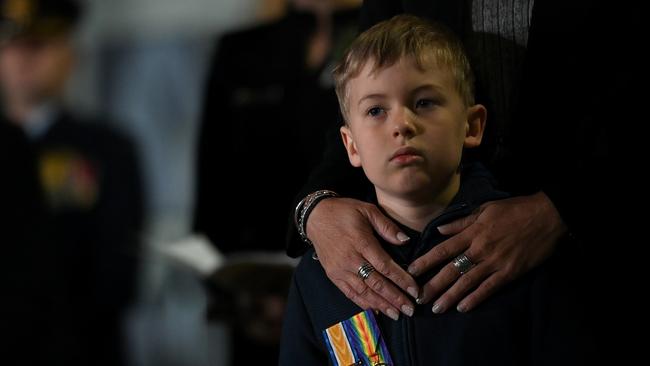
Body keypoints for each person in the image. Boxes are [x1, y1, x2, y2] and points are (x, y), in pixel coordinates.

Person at [287, 0, 639, 361]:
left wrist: (565, 207)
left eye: (424, 102)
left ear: (473, 126)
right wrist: (314, 207)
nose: (401, 124)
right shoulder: (318, 278)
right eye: (377, 110)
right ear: (351, 144)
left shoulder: (540, 270)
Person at [0, 1, 144, 364]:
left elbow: (118, 271)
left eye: (38, 45)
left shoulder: (106, 148)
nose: (23, 60)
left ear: (69, 54)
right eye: (12, 45)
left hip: (82, 345)